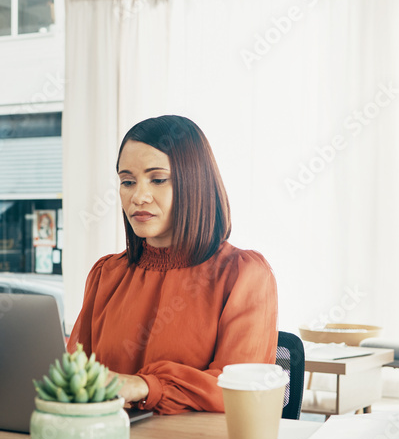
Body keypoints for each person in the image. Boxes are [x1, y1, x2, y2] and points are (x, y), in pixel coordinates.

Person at [67, 115, 278, 415]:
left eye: (158, 179)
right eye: (127, 182)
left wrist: (144, 386)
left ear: (195, 182)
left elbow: (237, 389)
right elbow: (74, 375)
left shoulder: (243, 275)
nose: (138, 196)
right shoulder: (106, 275)